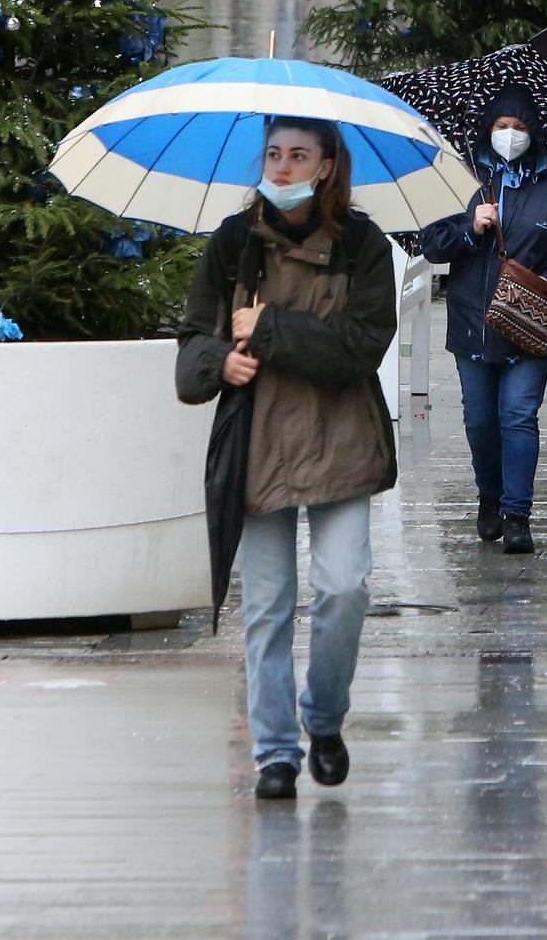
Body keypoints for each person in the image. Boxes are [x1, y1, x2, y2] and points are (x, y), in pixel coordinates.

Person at [176, 117, 398, 801]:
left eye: (299, 154)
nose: (282, 167)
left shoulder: (363, 245)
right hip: (259, 444)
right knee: (267, 605)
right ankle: (275, 751)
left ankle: (324, 717)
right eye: (273, 153)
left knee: (344, 587)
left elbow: (360, 347)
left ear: (328, 165)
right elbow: (189, 358)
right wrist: (223, 360)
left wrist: (269, 329)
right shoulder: (234, 243)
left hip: (342, 439)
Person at [420, 83, 547, 555]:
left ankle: (518, 513)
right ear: (488, 129)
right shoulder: (463, 177)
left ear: (533, 132)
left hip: (529, 323)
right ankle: (490, 496)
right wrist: (469, 228)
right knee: (480, 421)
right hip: (472, 323)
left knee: (518, 415)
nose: (510, 135)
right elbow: (432, 242)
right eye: (502, 127)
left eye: (519, 128)